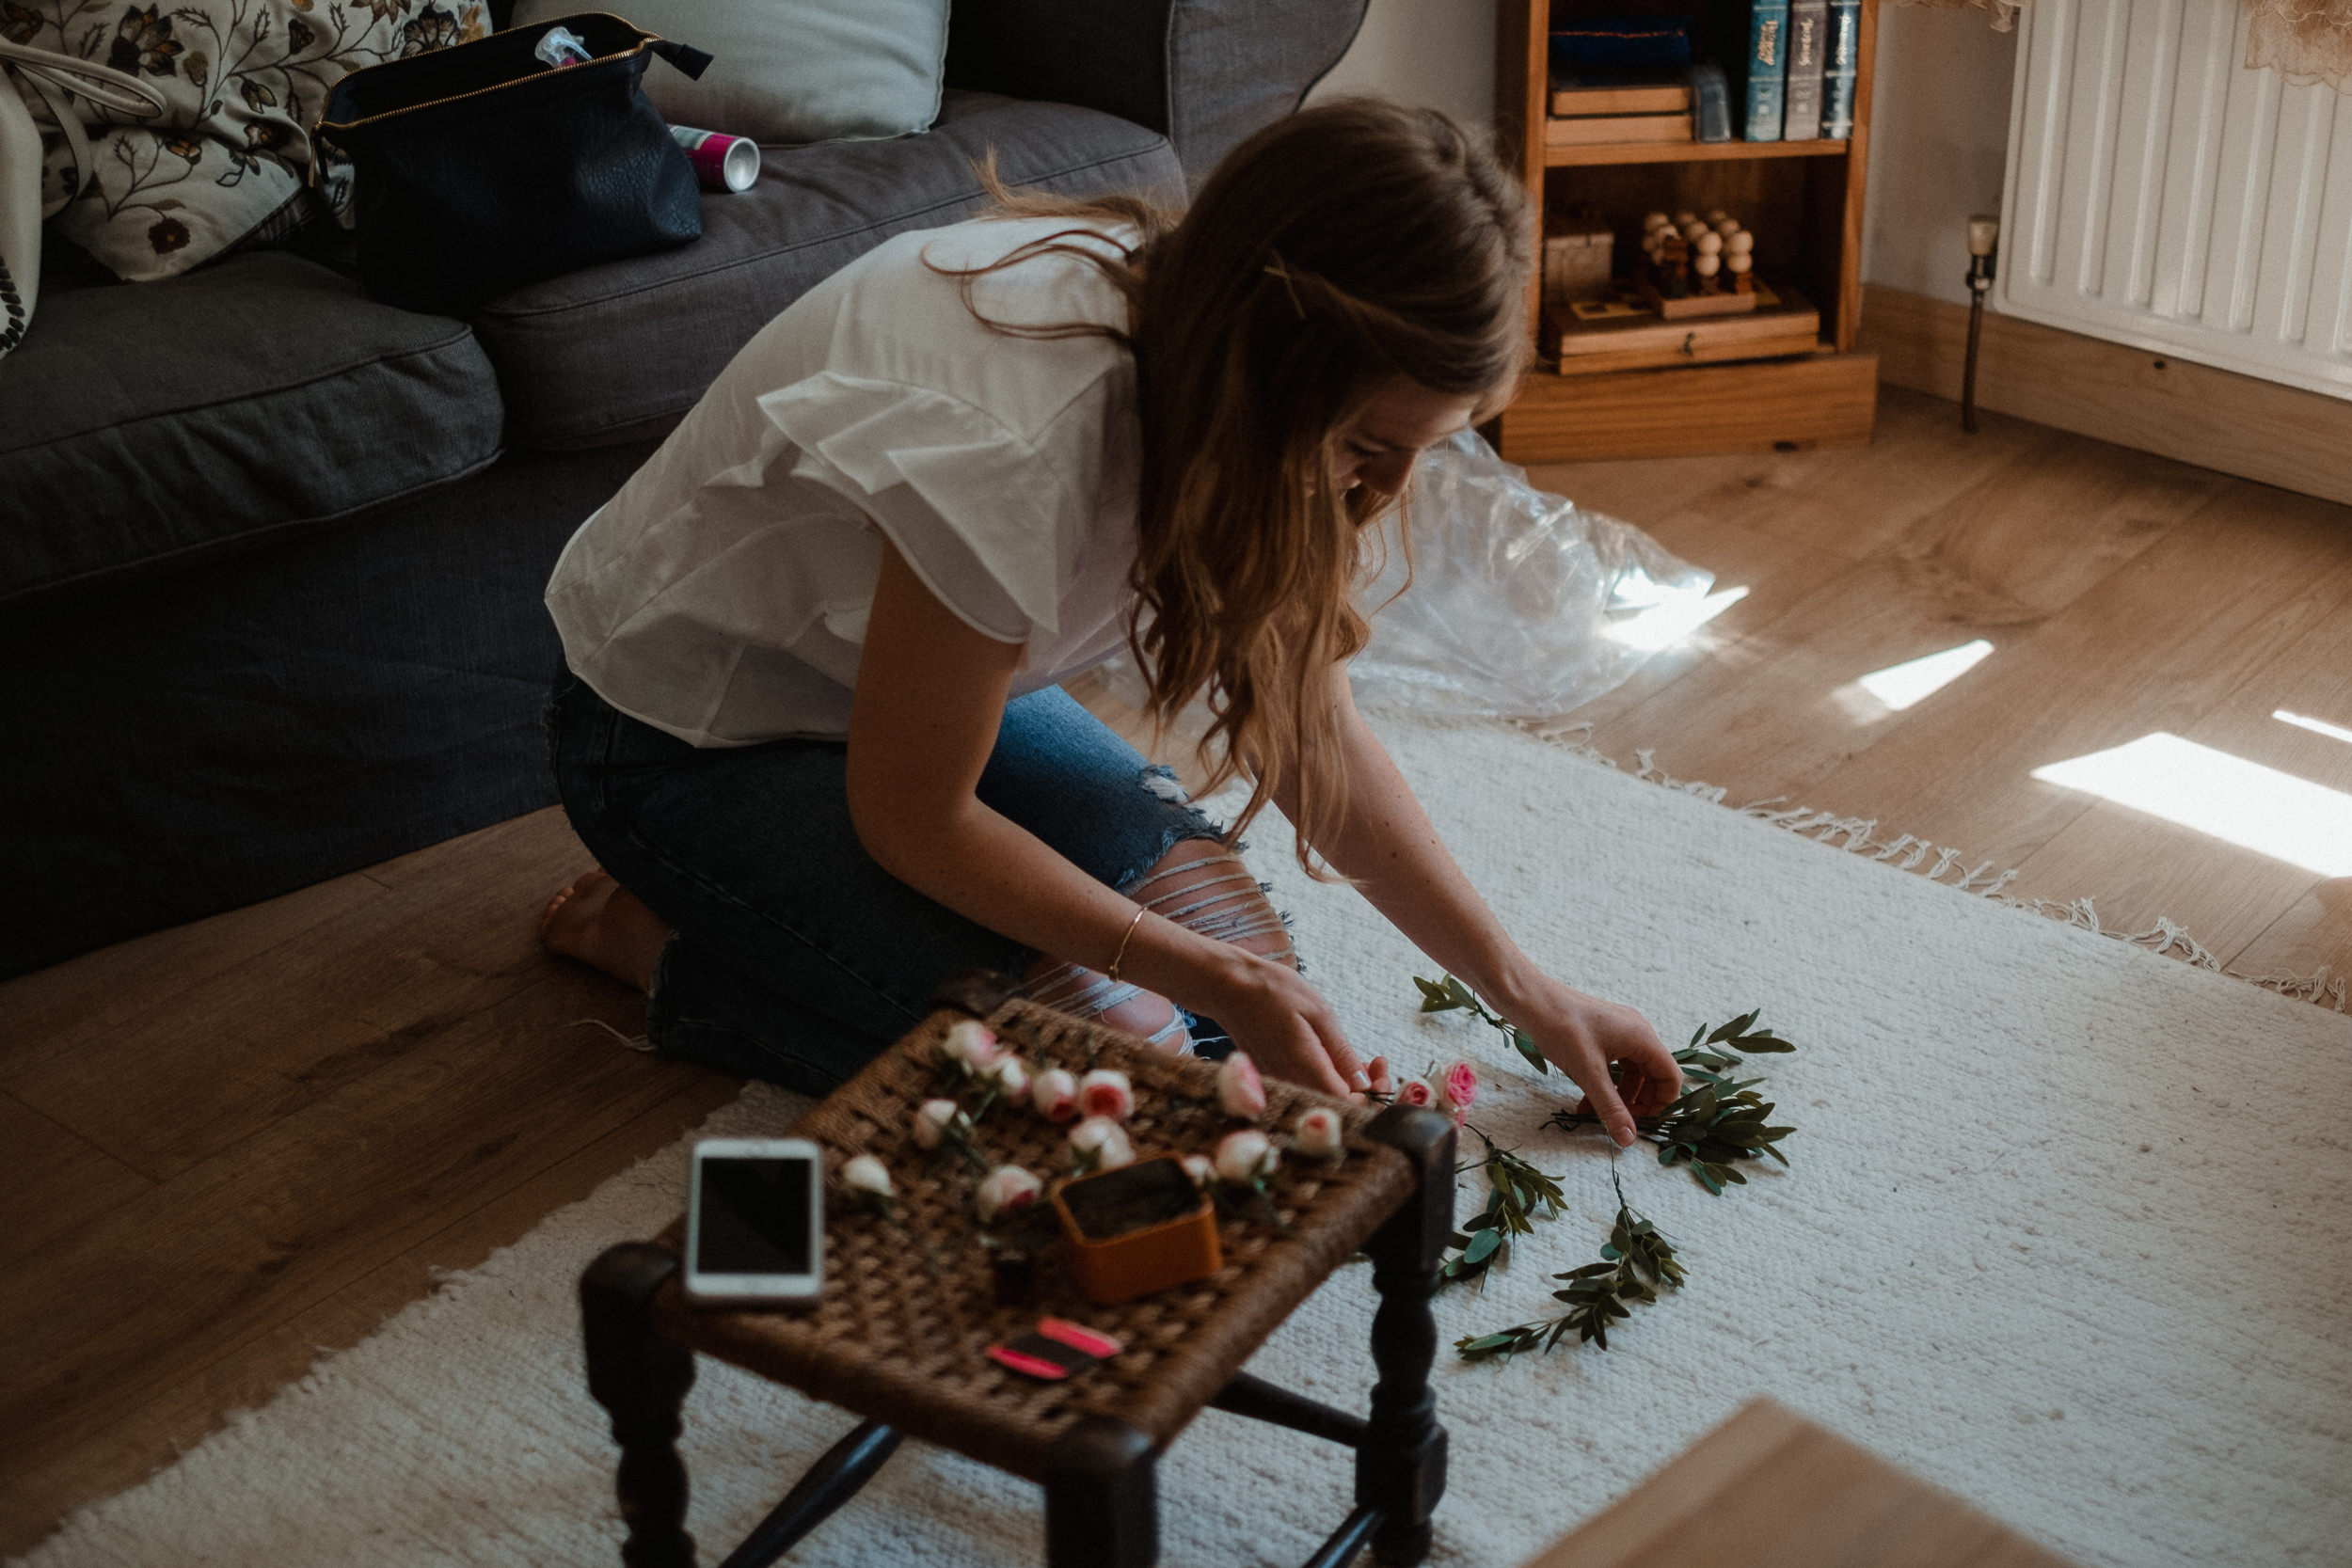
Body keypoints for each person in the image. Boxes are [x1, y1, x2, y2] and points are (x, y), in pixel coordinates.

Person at [538, 99, 1681, 1141]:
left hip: (899, 705)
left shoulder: (1218, 368)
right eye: (1363, 447)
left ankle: (798, 934)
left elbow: (1309, 729)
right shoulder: (1018, 444)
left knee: (1247, 992)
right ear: (1266, 368)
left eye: (1417, 452)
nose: (1375, 497)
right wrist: (1207, 985)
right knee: (1130, 1082)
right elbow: (912, 815)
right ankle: (673, 948)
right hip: (681, 743)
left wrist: (1525, 989)